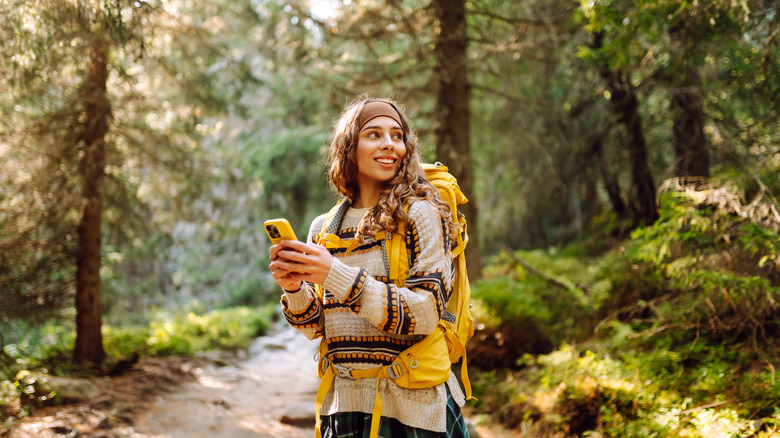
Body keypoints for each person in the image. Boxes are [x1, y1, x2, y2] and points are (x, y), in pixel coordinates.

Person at [269, 96, 470, 437]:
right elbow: (318, 328)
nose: (389, 144)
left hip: (413, 409)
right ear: (350, 146)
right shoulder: (325, 227)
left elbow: (423, 314)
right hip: (344, 407)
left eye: (397, 135)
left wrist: (333, 273)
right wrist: (294, 288)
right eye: (374, 134)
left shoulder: (421, 214)